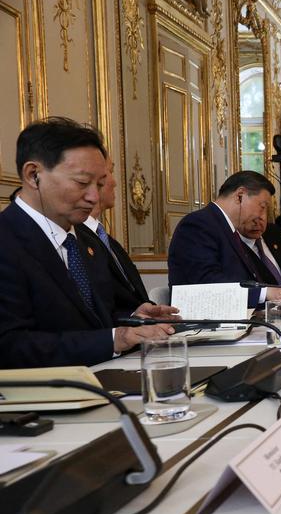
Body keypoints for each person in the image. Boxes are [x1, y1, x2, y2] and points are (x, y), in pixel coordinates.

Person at [0, 117, 174, 368]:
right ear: (33, 175)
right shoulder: (7, 241)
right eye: (82, 183)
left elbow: (94, 318)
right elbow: (10, 346)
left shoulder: (85, 239)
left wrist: (133, 319)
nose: (94, 197)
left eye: (100, 184)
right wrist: (114, 340)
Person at [168, 171, 281, 305]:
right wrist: (266, 293)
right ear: (240, 195)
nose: (262, 216)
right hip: (204, 320)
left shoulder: (228, 228)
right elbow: (208, 282)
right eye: (262, 206)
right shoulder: (198, 225)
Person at [76, 157, 151, 313]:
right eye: (110, 172)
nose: (115, 182)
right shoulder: (74, 239)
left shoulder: (106, 239)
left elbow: (135, 297)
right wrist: (133, 317)